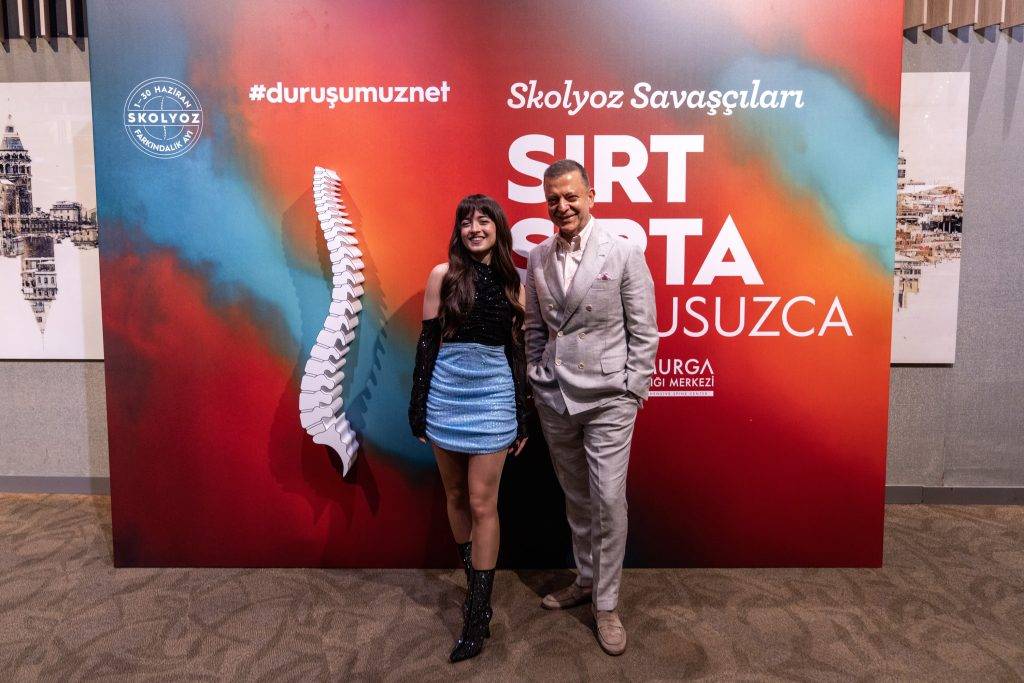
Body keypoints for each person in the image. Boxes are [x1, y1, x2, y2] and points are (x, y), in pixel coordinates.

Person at [524, 159, 658, 656]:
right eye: (553, 200)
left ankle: (606, 604)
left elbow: (644, 329)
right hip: (555, 397)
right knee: (577, 498)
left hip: (608, 400)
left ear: (590, 196)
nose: (562, 206)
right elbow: (534, 327)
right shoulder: (537, 258)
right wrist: (536, 376)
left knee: (607, 501)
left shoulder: (622, 252)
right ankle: (584, 579)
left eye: (570, 196)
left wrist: (631, 390)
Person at [409, 194, 528, 663]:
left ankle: (477, 615)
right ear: (458, 231)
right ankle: (474, 585)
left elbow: (517, 352)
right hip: (446, 393)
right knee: (455, 495)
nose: (475, 228)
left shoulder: (513, 282)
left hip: (494, 395)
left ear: (498, 228)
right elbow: (426, 344)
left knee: (482, 503)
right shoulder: (442, 275)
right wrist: (418, 406)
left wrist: (522, 413)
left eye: (483, 221)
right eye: (466, 222)